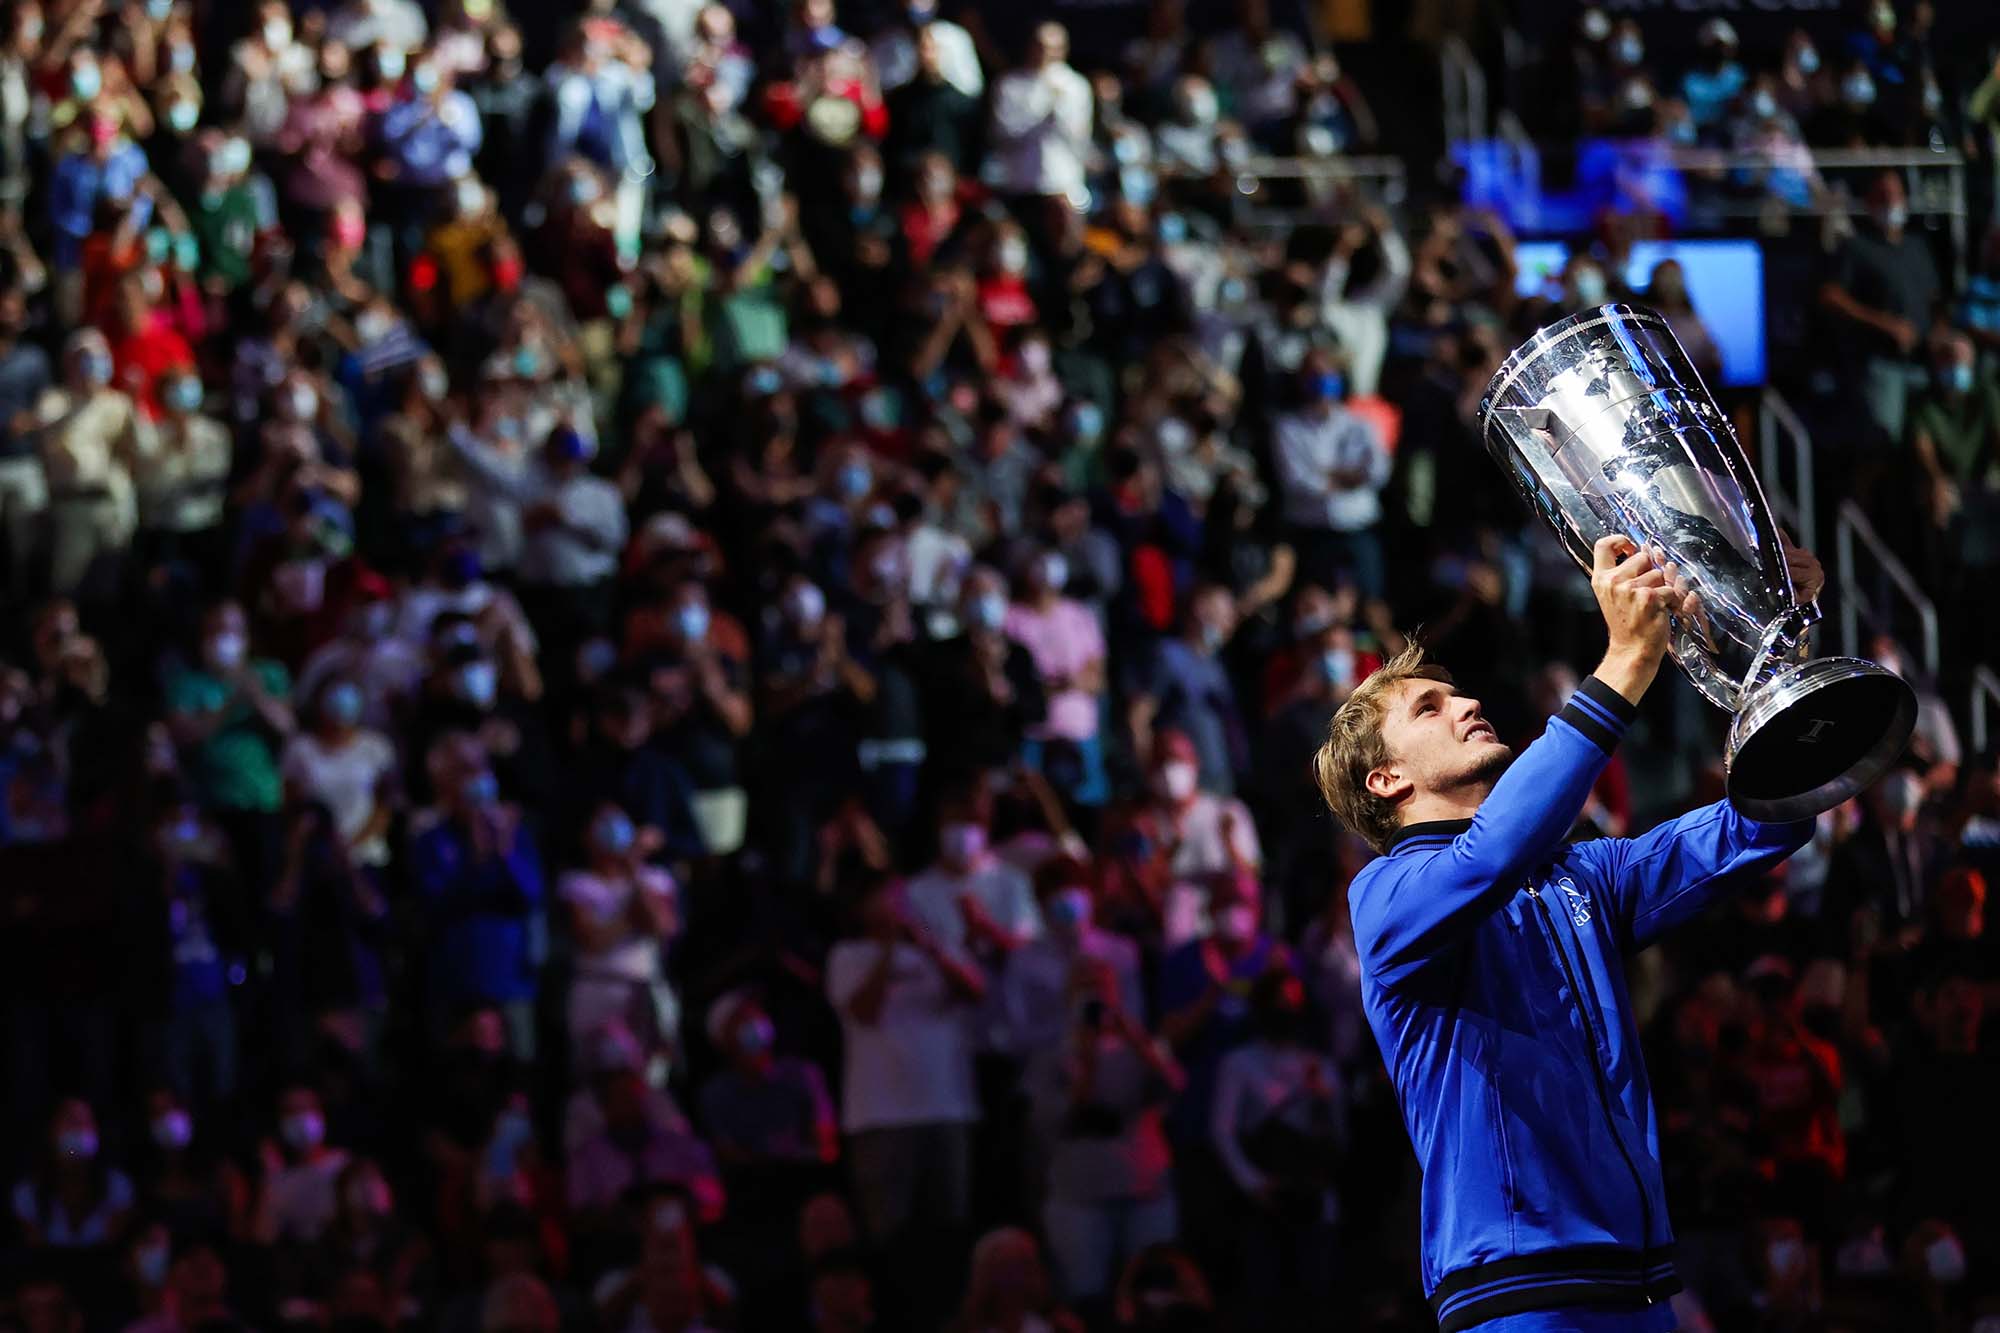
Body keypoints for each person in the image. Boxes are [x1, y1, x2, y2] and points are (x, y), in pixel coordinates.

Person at [1314, 536, 1825, 1332]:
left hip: (1639, 1284)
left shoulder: (1577, 874)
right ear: (1387, 780)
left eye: (1454, 693)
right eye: (1429, 707)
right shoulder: (1383, 899)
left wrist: (1777, 642)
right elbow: (1489, 855)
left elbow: (1758, 820)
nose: (1466, 703)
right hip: (1521, 1296)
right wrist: (1623, 663)